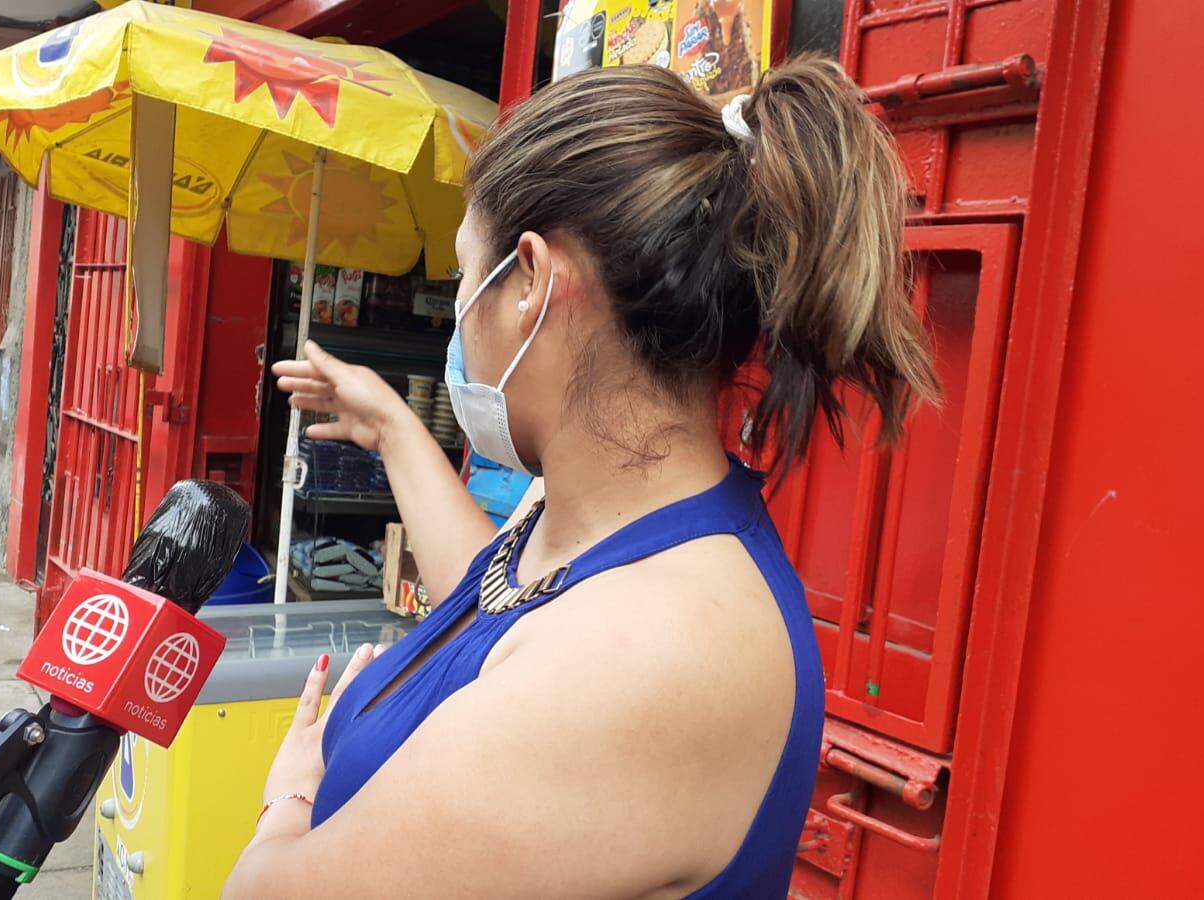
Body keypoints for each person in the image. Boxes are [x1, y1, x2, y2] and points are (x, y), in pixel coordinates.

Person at [224, 56, 938, 898]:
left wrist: (289, 800)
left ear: (530, 280)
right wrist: (391, 427)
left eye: (464, 276)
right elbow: (500, 606)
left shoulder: (654, 656)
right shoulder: (603, 517)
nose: (459, 314)